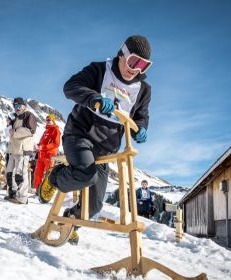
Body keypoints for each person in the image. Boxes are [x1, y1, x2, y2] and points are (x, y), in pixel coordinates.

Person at [44, 35, 152, 244]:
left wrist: (141, 129)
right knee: (86, 174)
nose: (135, 69)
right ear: (123, 54)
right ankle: (55, 178)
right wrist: (94, 98)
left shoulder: (143, 90)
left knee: (94, 206)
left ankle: (70, 221)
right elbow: (70, 87)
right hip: (80, 134)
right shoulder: (100, 70)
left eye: (143, 66)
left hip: (106, 149)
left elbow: (141, 116)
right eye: (133, 62)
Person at [5, 97, 37, 204]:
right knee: (10, 173)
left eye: (19, 106)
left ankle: (22, 197)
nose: (17, 108)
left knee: (21, 174)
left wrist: (14, 131)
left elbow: (31, 131)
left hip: (23, 150)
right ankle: (13, 193)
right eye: (15, 106)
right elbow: (10, 133)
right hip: (13, 149)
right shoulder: (16, 118)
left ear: (24, 106)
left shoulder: (28, 116)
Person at [33, 114, 61, 192]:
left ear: (53, 120)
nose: (47, 122)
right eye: (46, 120)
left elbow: (56, 143)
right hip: (41, 155)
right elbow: (42, 142)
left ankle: (47, 192)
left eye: (49, 120)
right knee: (38, 173)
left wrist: (44, 147)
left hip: (49, 155)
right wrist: (38, 146)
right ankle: (38, 190)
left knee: (48, 174)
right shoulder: (46, 131)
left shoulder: (55, 130)